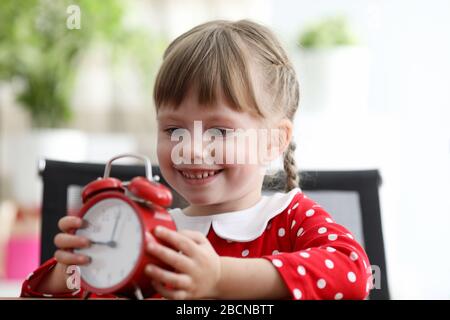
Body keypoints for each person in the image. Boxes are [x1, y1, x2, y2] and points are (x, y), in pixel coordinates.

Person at [21, 20, 372, 300]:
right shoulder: (145, 230)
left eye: (218, 132)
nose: (190, 149)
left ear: (273, 141)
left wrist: (219, 277)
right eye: (174, 130)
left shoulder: (289, 219)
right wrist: (68, 273)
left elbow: (354, 272)